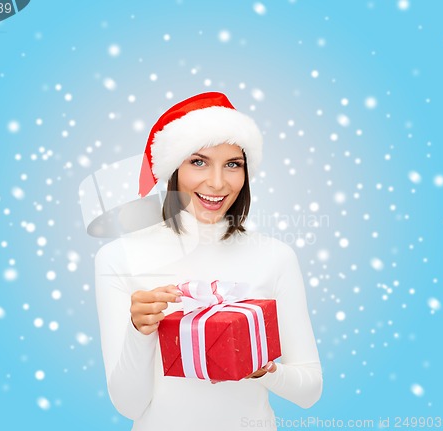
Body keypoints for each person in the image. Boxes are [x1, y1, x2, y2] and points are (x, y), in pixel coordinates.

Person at [95, 92, 322, 431]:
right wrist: (139, 331)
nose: (217, 182)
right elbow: (129, 405)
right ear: (173, 168)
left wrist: (262, 369)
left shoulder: (275, 257)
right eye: (198, 161)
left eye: (233, 164)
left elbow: (310, 390)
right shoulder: (119, 258)